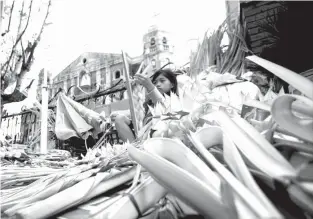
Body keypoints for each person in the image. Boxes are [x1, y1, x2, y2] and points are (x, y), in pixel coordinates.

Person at [110, 69, 178, 143]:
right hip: (142, 138)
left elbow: (162, 105)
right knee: (120, 119)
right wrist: (117, 113)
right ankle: (135, 148)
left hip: (160, 141)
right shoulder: (149, 104)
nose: (158, 84)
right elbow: (138, 112)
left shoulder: (175, 102)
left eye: (162, 81)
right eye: (155, 83)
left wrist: (150, 86)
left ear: (172, 84)